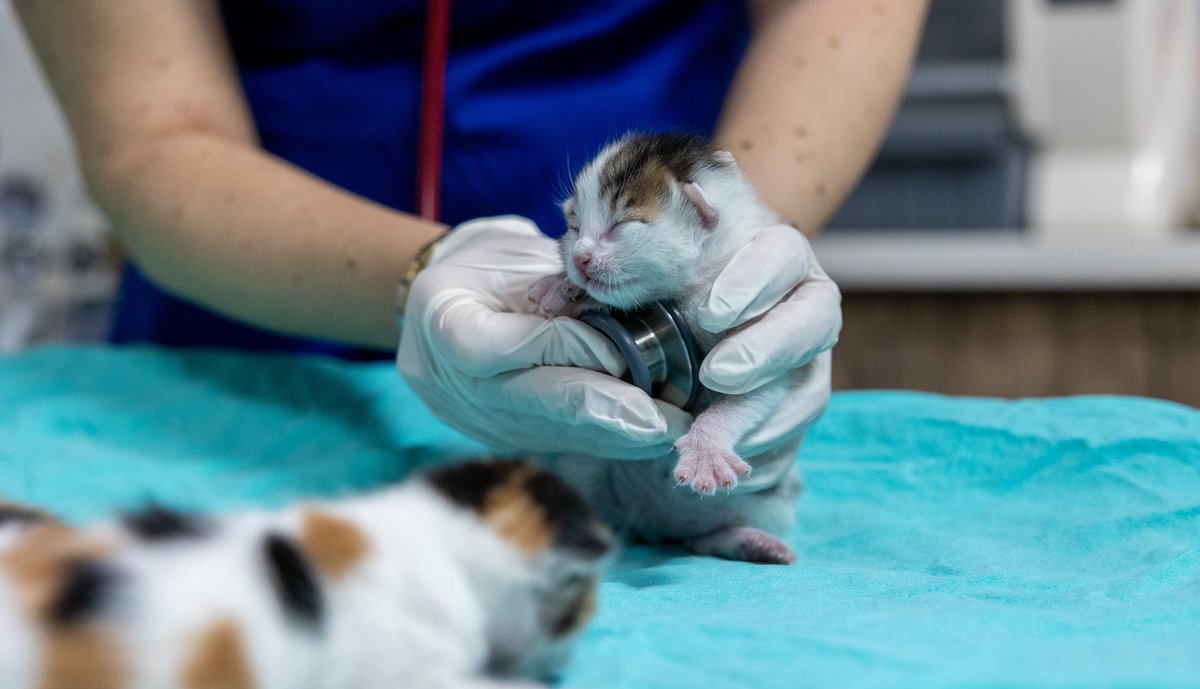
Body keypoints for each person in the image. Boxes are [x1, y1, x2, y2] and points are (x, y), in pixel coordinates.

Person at [15, 0, 927, 482]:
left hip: (655, 345)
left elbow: (831, 9)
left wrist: (738, 246)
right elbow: (152, 131)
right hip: (249, 319)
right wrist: (430, 275)